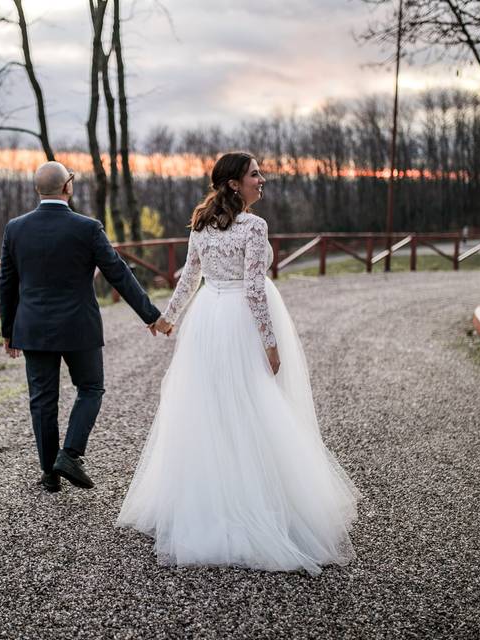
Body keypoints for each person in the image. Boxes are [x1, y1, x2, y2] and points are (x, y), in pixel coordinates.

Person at [116, 152, 361, 575]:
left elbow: (190, 278)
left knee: (212, 408)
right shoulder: (254, 226)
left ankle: (212, 500)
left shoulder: (201, 224)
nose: (261, 180)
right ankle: (258, 504)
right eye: (254, 175)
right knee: (253, 403)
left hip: (207, 318)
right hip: (238, 322)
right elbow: (252, 290)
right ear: (233, 184)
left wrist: (170, 318)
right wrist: (269, 342)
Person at [0, 161, 172, 493]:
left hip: (33, 329)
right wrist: (151, 315)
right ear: (68, 186)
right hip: (79, 326)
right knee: (90, 389)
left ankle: (50, 473)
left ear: (39, 189)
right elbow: (119, 274)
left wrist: (9, 331)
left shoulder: (15, 229)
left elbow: (6, 283)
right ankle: (70, 454)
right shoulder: (87, 228)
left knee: (42, 400)